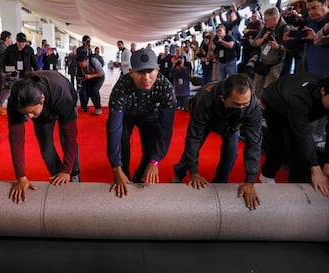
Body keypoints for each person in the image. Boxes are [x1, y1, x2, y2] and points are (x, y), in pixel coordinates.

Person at [173, 74, 262, 210]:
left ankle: (220, 182)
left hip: (232, 125)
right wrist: (194, 172)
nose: (242, 108)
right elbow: (194, 137)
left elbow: (254, 143)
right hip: (209, 118)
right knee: (195, 145)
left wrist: (250, 180)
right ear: (223, 99)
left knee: (231, 154)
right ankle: (179, 173)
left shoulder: (253, 106)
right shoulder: (206, 98)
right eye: (237, 104)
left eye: (245, 104)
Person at [106, 48, 177, 197]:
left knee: (151, 149)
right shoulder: (121, 87)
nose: (146, 77)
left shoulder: (166, 88)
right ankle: (123, 175)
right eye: (140, 72)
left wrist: (155, 160)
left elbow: (166, 129)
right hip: (127, 115)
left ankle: (139, 175)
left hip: (151, 116)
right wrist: (116, 167)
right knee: (122, 141)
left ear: (157, 70)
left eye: (150, 71)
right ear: (131, 72)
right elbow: (113, 129)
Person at [7, 70, 80, 203]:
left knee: (66, 142)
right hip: (43, 111)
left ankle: (73, 174)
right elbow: (16, 140)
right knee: (46, 151)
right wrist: (21, 177)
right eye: (25, 114)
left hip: (63, 98)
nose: (29, 118)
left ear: (42, 99)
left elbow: (70, 136)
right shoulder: (16, 100)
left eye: (32, 112)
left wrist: (67, 170)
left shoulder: (61, 95)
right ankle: (59, 178)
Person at [259, 73, 329, 197]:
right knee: (282, 141)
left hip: (295, 102)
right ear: (323, 91)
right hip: (274, 101)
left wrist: (328, 163)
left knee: (300, 147)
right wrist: (316, 169)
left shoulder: (322, 95)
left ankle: (297, 184)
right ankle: (267, 175)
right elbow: (302, 133)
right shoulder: (299, 98)